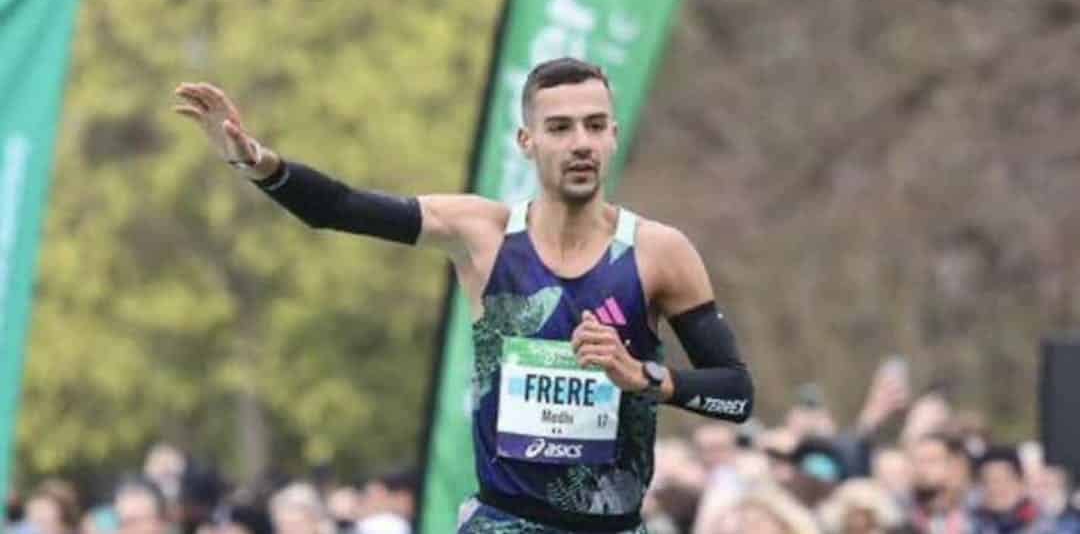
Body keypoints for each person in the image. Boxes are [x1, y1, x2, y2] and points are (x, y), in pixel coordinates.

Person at [174, 56, 754, 533]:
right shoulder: (485, 235)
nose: (581, 143)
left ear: (613, 135)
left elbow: (736, 392)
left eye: (595, 125)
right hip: (505, 523)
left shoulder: (658, 252)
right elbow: (341, 208)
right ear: (527, 141)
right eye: (560, 128)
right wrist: (257, 163)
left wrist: (647, 378)